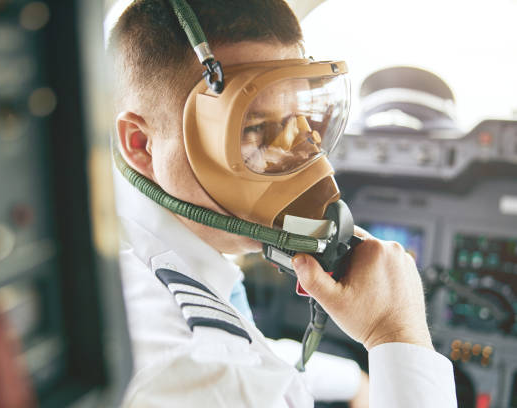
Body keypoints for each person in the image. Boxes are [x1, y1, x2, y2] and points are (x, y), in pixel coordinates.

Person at [108, 1, 457, 406]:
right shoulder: (213, 374)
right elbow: (235, 370)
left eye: (300, 121)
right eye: (255, 129)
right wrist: (397, 334)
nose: (301, 158)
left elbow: (250, 346)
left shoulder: (129, 253)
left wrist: (351, 380)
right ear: (141, 144)